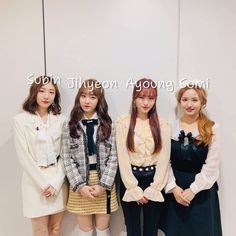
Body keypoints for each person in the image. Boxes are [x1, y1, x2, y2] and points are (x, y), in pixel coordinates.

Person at [160, 82, 222, 236]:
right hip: (176, 190)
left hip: (202, 191)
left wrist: (193, 190)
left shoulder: (212, 128)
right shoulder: (169, 127)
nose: (189, 104)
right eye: (185, 99)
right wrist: (173, 188)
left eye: (194, 100)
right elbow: (164, 162)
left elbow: (212, 165)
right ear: (179, 102)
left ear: (202, 102)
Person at [61, 79, 118, 236]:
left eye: (92, 97)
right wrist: (80, 185)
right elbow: (67, 157)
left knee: (102, 229)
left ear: (99, 100)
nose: (87, 101)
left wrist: (103, 185)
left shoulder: (109, 125)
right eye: (84, 96)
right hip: (80, 182)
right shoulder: (69, 125)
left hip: (103, 182)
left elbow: (114, 157)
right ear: (78, 97)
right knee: (84, 230)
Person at [13, 76, 68, 236]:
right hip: (34, 183)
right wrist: (43, 184)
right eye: (42, 91)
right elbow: (23, 156)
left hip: (57, 181)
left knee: (56, 229)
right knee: (40, 231)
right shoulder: (20, 120)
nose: (46, 96)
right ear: (34, 93)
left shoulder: (61, 120)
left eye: (51, 92)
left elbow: (66, 155)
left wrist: (56, 183)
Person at [116, 78, 171, 236]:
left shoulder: (162, 124)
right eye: (141, 97)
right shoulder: (123, 123)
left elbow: (164, 159)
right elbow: (123, 158)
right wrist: (133, 188)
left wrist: (154, 188)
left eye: (151, 98)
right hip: (130, 178)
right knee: (132, 229)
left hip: (154, 180)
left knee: (151, 230)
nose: (146, 102)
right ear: (134, 98)